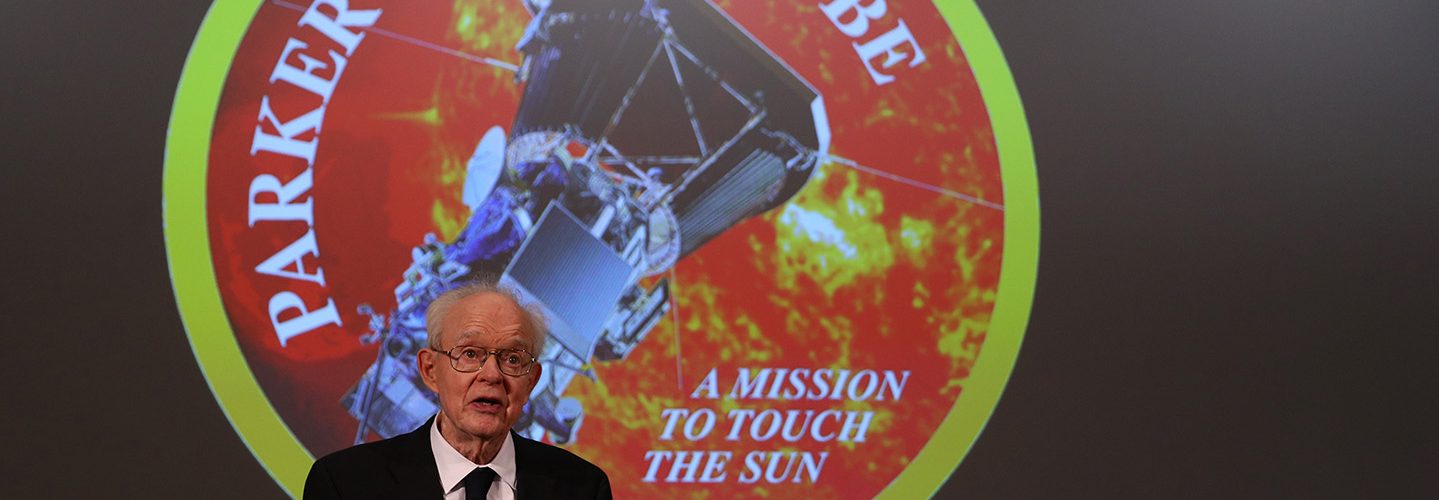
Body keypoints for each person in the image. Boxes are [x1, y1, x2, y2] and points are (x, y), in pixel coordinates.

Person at [304, 282, 612, 499]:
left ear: (531, 381)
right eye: (470, 354)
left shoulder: (582, 489)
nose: (491, 374)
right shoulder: (345, 485)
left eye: (512, 359)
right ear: (430, 370)